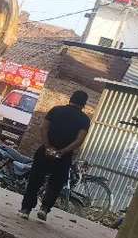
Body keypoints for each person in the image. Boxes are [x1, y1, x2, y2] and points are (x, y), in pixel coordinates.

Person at [20, 90, 91, 221]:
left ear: (71, 99)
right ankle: (45, 209)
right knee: (56, 184)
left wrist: (48, 147)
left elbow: (43, 128)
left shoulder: (56, 110)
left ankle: (26, 209)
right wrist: (62, 152)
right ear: (84, 104)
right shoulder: (84, 119)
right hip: (64, 157)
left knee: (35, 180)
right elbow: (79, 140)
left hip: (45, 152)